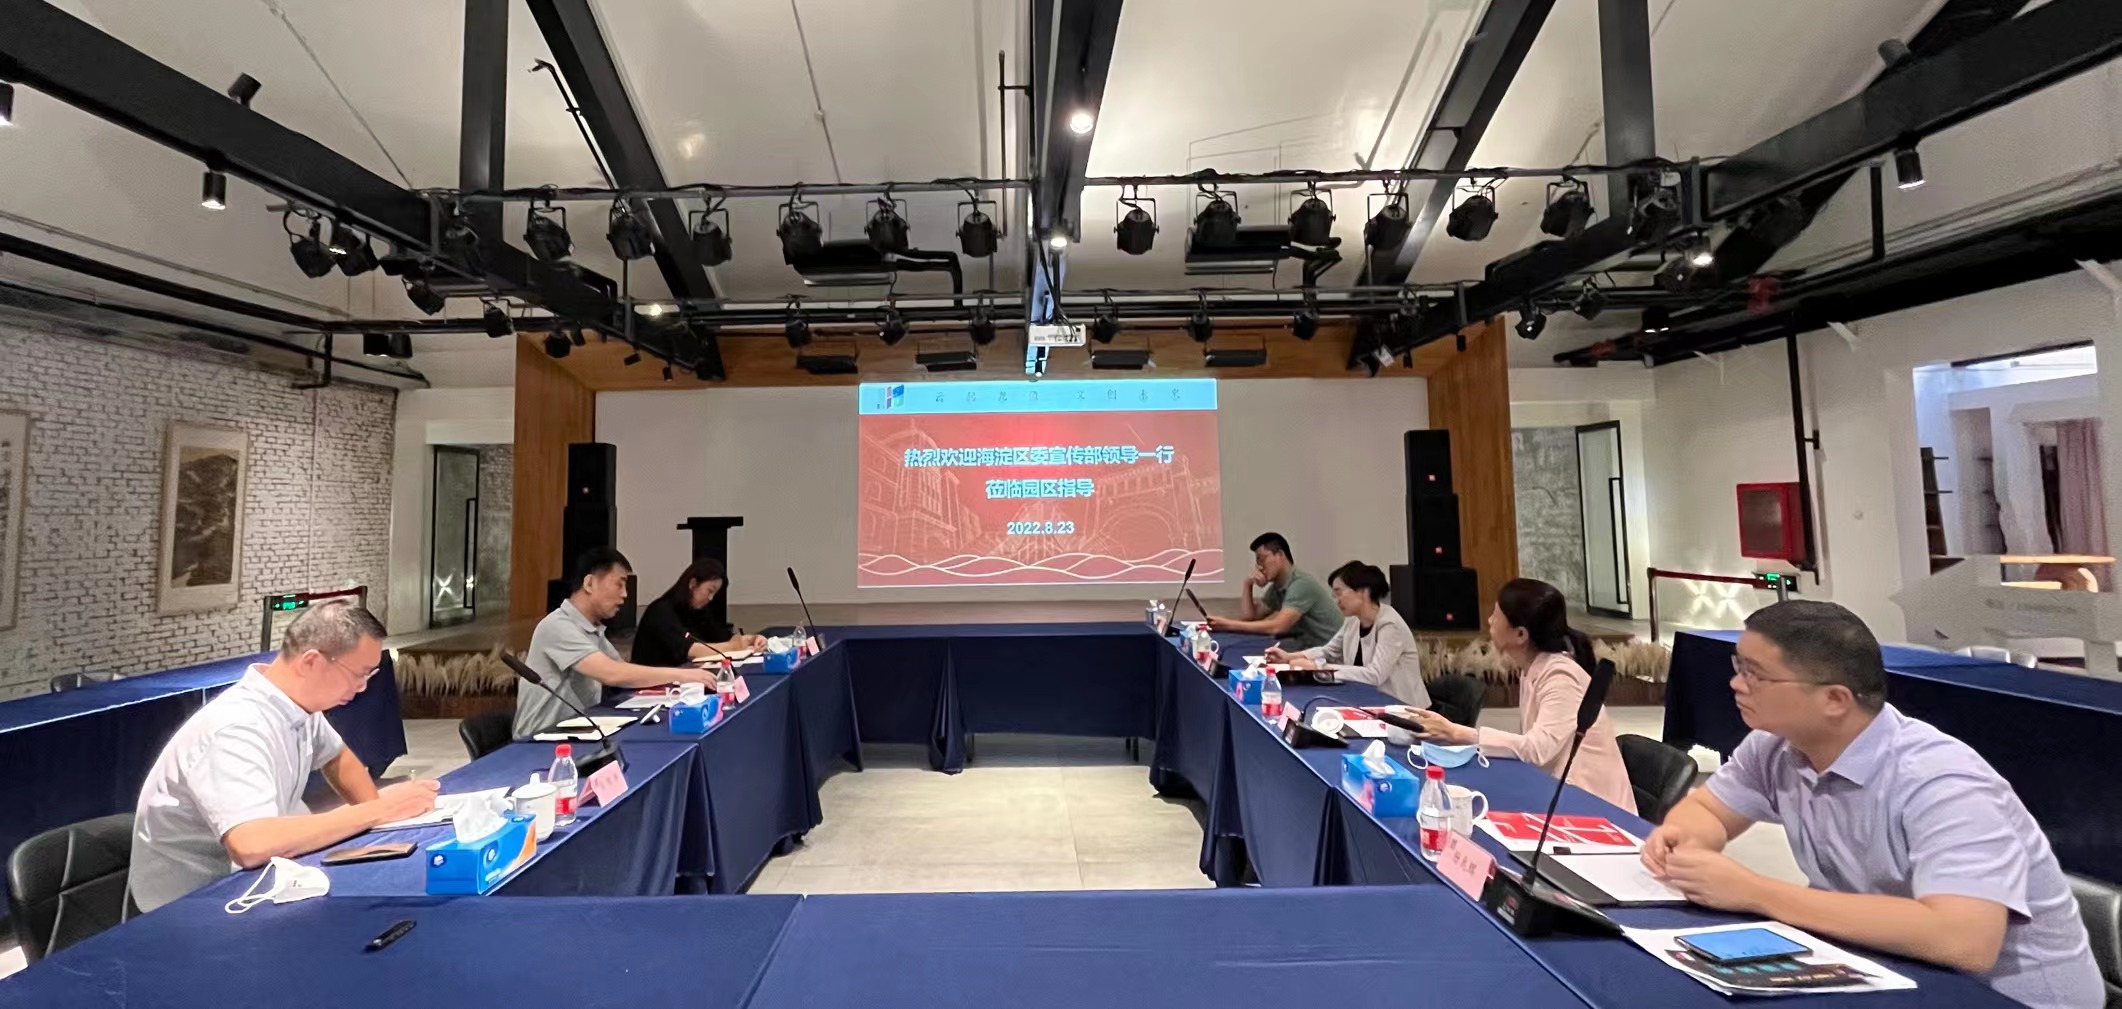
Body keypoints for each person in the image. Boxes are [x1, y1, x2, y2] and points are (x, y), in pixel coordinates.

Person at [1642, 600, 2101, 1009]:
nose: (1736, 684)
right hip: (1882, 965)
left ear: (1834, 699)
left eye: (1755, 675)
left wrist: (1756, 892)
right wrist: (1686, 841)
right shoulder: (1776, 746)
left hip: (2002, 994)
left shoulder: (1940, 781)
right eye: (1738, 666)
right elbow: (1708, 809)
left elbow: (1964, 939)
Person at [129, 602, 440, 912]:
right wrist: (378, 810)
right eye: (358, 675)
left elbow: (338, 757)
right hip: (195, 905)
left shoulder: (297, 704)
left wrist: (381, 815)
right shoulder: (235, 728)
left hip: (266, 876)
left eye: (370, 676)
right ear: (311, 662)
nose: (362, 687)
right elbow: (253, 844)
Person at [1405, 578, 1636, 813]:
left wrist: (1458, 733)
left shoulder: (1561, 677)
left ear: (1520, 634)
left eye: (1496, 616)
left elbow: (1537, 749)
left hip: (1594, 808)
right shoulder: (1534, 668)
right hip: (1558, 794)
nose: (1490, 621)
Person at [513, 547, 719, 737]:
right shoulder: (557, 626)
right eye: (619, 584)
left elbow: (624, 672)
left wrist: (678, 682)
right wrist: (683, 675)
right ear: (589, 584)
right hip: (537, 742)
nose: (625, 594)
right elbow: (612, 673)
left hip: (575, 734)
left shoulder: (592, 629)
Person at [1265, 561, 1428, 706]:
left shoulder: (1390, 624)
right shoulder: (1353, 621)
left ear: (1363, 592)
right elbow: (1328, 651)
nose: (1336, 601)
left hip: (1405, 709)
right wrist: (1289, 657)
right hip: (1369, 701)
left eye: (1339, 593)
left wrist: (1320, 668)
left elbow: (1375, 675)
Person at [1208, 532, 1341, 650]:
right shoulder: (1278, 587)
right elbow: (1251, 617)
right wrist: (1248, 584)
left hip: (1331, 652)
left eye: (1262, 559)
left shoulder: (1301, 584)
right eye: (1257, 562)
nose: (1260, 567)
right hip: (1307, 647)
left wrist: (1227, 624)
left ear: (1280, 555)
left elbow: (1278, 626)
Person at [631, 558, 768, 668]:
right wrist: (732, 647)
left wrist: (752, 639)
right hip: (652, 685)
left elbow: (722, 637)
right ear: (693, 584)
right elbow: (690, 651)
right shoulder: (661, 611)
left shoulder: (699, 611)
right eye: (710, 591)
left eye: (714, 593)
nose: (711, 598)